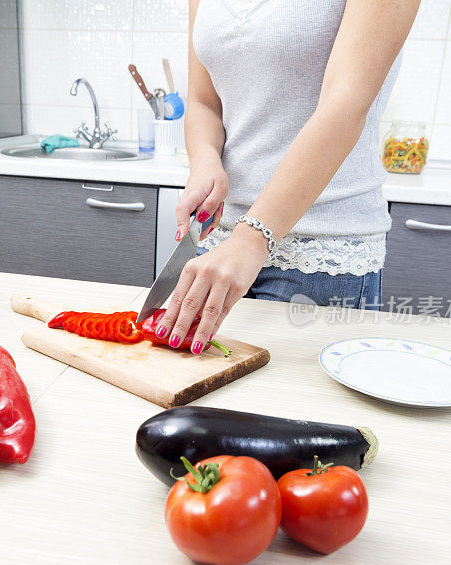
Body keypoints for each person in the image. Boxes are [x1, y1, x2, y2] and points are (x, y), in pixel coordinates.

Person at [156, 0, 420, 355]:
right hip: (219, 245)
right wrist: (205, 161)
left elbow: (345, 104)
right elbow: (204, 101)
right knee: (200, 398)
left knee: (287, 407)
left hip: (321, 255)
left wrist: (251, 241)